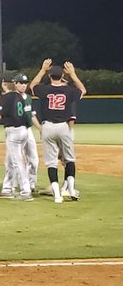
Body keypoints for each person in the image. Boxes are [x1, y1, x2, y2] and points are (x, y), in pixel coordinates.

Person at [30, 59, 86, 201]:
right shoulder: (69, 90)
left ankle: (57, 196)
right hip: (63, 127)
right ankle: (71, 190)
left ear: (50, 76)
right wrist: (72, 74)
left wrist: (42, 70)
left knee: (51, 162)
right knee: (69, 159)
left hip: (47, 127)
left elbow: (32, 85)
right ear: (62, 76)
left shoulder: (44, 89)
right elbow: (83, 90)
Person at [0, 73, 36, 201]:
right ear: (14, 84)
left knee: (18, 162)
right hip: (24, 130)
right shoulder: (20, 97)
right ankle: (7, 189)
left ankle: (25, 192)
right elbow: (27, 116)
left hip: (14, 131)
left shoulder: (6, 97)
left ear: (4, 84)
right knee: (10, 161)